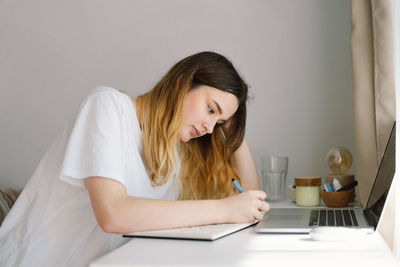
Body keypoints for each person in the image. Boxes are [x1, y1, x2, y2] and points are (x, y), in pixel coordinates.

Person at [0, 51, 269, 266]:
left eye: (218, 123)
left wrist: (234, 131)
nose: (209, 129)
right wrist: (223, 209)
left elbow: (251, 202)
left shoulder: (178, 149)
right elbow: (113, 213)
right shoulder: (107, 106)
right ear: (182, 84)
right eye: (210, 109)